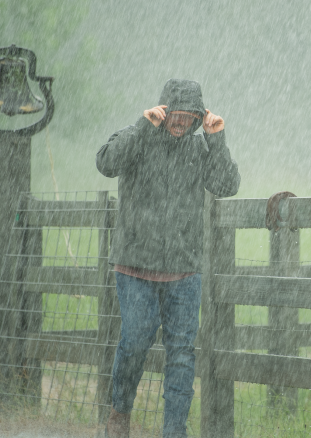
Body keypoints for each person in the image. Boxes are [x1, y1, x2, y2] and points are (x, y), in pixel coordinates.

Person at [96, 79, 240, 438]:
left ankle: (174, 431)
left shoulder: (198, 150)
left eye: (189, 117)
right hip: (134, 267)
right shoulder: (137, 136)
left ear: (197, 118)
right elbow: (106, 163)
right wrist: (144, 126)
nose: (181, 123)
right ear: (163, 110)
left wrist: (216, 138)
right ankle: (119, 415)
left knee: (181, 354)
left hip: (184, 270)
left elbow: (227, 185)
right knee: (135, 341)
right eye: (176, 115)